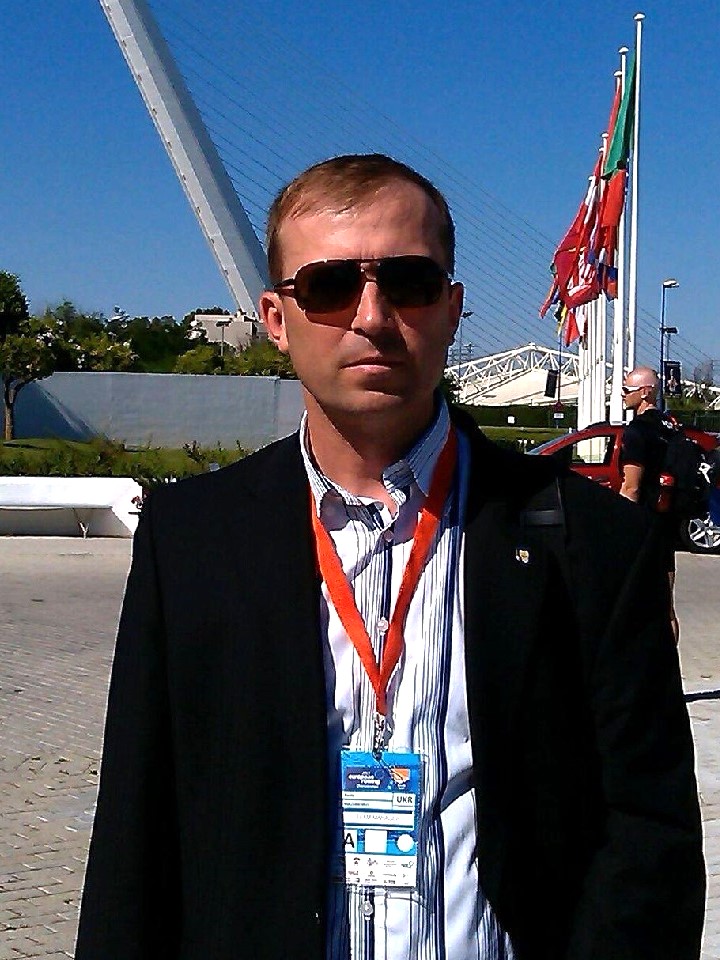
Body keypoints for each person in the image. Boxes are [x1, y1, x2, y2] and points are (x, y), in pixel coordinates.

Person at [75, 155, 705, 960]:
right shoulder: (192, 539)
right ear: (276, 317)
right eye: (330, 287)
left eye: (408, 282)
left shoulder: (592, 543)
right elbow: (137, 829)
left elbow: (649, 838)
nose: (371, 316)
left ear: (453, 309)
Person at [620, 366, 680, 643]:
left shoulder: (637, 431)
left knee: (633, 604)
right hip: (667, 522)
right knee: (666, 607)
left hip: (643, 526)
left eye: (627, 390)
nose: (622, 394)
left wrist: (618, 525)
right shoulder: (671, 427)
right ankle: (670, 664)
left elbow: (631, 487)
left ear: (645, 392)